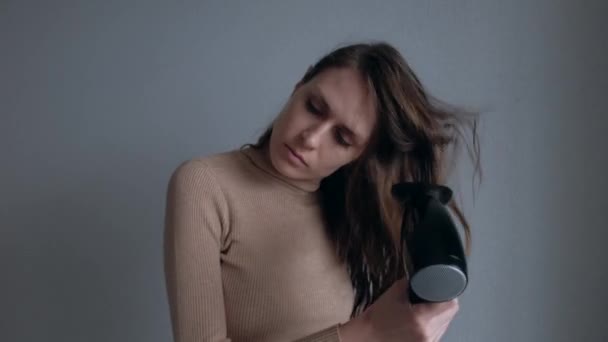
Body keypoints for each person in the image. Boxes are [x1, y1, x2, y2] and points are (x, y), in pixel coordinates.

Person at [163, 41, 482, 342]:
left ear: (359, 155)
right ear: (298, 85)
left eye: (342, 138)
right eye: (314, 107)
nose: (311, 138)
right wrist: (366, 330)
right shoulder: (205, 184)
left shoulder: (352, 212)